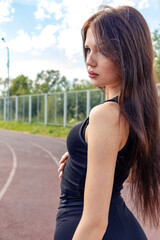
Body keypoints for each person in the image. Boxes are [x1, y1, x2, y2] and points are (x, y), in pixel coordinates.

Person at [54, 5, 160, 240]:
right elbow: (128, 171)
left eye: (102, 50)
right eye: (87, 49)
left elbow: (94, 224)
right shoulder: (135, 110)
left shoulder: (107, 114)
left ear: (128, 54)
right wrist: (89, 159)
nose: (89, 61)